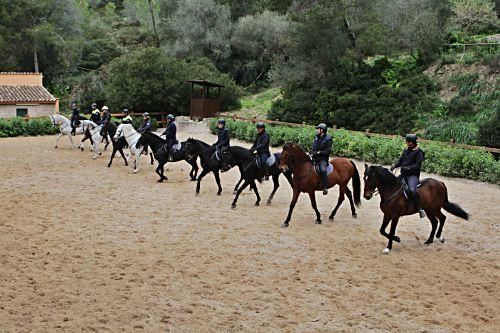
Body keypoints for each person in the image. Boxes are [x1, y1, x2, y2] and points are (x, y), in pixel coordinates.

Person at [391, 134, 426, 218]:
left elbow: (417, 165)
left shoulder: (419, 152)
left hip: (412, 176)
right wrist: (394, 165)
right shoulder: (406, 150)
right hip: (403, 174)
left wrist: (407, 168)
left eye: (409, 142)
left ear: (412, 142)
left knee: (412, 190)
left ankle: (420, 209)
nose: (408, 143)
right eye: (407, 142)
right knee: (393, 185)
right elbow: (400, 161)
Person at [311, 123, 332, 195]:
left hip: (323, 159)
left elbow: (328, 151)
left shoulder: (328, 139)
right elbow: (314, 147)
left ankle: (325, 187)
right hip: (314, 157)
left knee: (323, 170)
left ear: (322, 130)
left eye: (318, 129)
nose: (317, 130)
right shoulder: (316, 137)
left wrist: (319, 152)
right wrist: (312, 152)